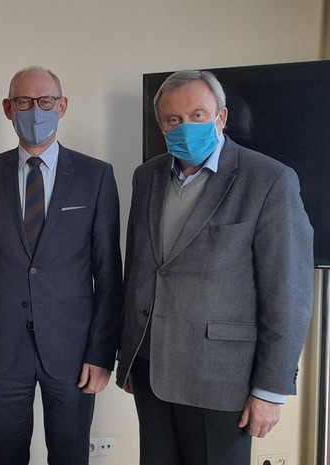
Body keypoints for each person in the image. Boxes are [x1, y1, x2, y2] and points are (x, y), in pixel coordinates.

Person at [116, 70, 314, 465]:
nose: (185, 127)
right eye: (173, 119)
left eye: (197, 115)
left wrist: (270, 390)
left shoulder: (269, 180)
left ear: (221, 117)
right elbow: (138, 268)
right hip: (151, 369)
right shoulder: (147, 176)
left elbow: (288, 293)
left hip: (222, 380)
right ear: (161, 125)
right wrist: (129, 358)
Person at [0, 66, 124, 465]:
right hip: (1, 349)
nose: (35, 110)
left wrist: (102, 353)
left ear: (61, 106)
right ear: (8, 108)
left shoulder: (96, 176)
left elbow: (108, 275)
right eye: (24, 102)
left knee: (70, 457)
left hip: (73, 351)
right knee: (6, 456)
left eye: (45, 101)